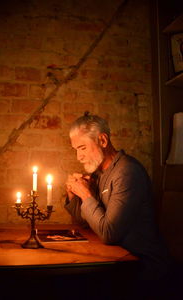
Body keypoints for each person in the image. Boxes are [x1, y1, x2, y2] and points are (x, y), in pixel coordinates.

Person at [64, 112, 172, 297]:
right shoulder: (100, 173)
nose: (78, 157)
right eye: (76, 150)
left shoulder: (127, 172)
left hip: (143, 265)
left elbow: (109, 233)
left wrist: (86, 194)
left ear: (103, 141)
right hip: (117, 259)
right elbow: (84, 223)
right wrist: (73, 194)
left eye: (82, 148)